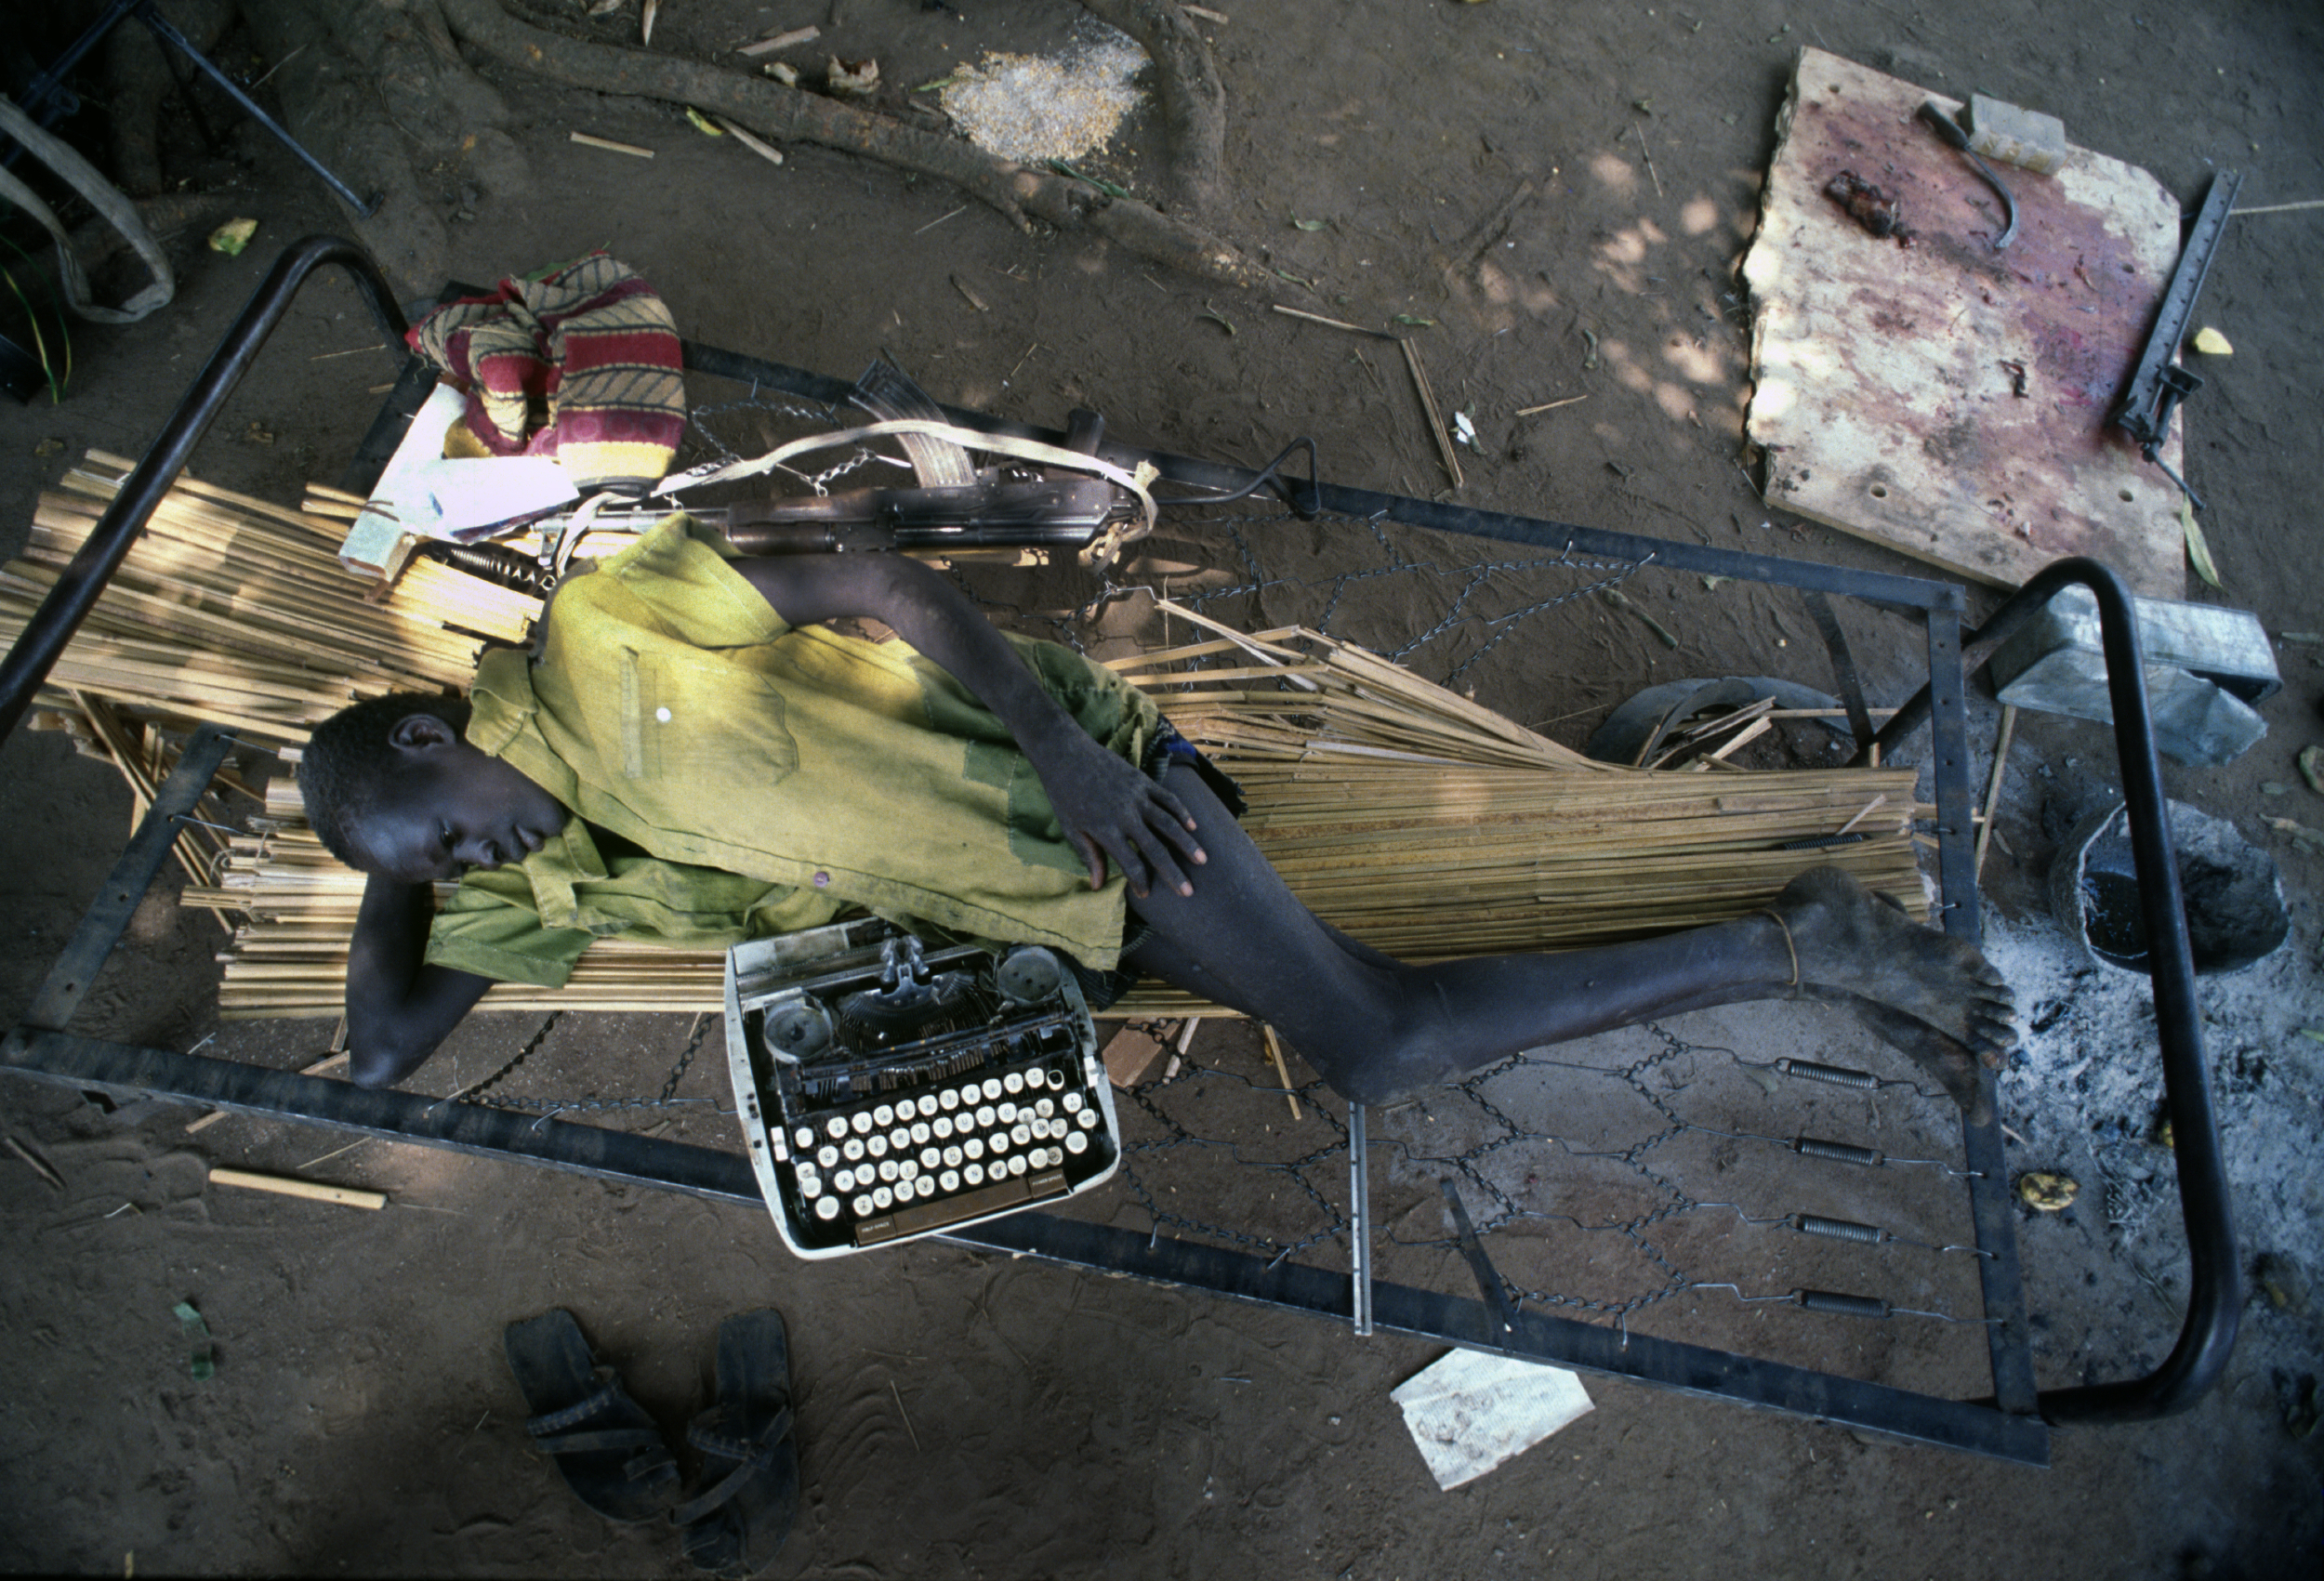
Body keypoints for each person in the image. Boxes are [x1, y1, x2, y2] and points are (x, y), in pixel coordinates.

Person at [305, 516, 2017, 1105]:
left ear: (427, 715)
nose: (479, 859)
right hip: (1052, 922)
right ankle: (1813, 947)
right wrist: (395, 850)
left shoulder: (607, 625)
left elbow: (884, 579)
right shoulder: (568, 863)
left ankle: (1804, 937)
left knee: (1381, 1046)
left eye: (447, 819)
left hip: (1096, 814)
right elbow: (381, 1047)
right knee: (1364, 1036)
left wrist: (1061, 744)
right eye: (450, 869)